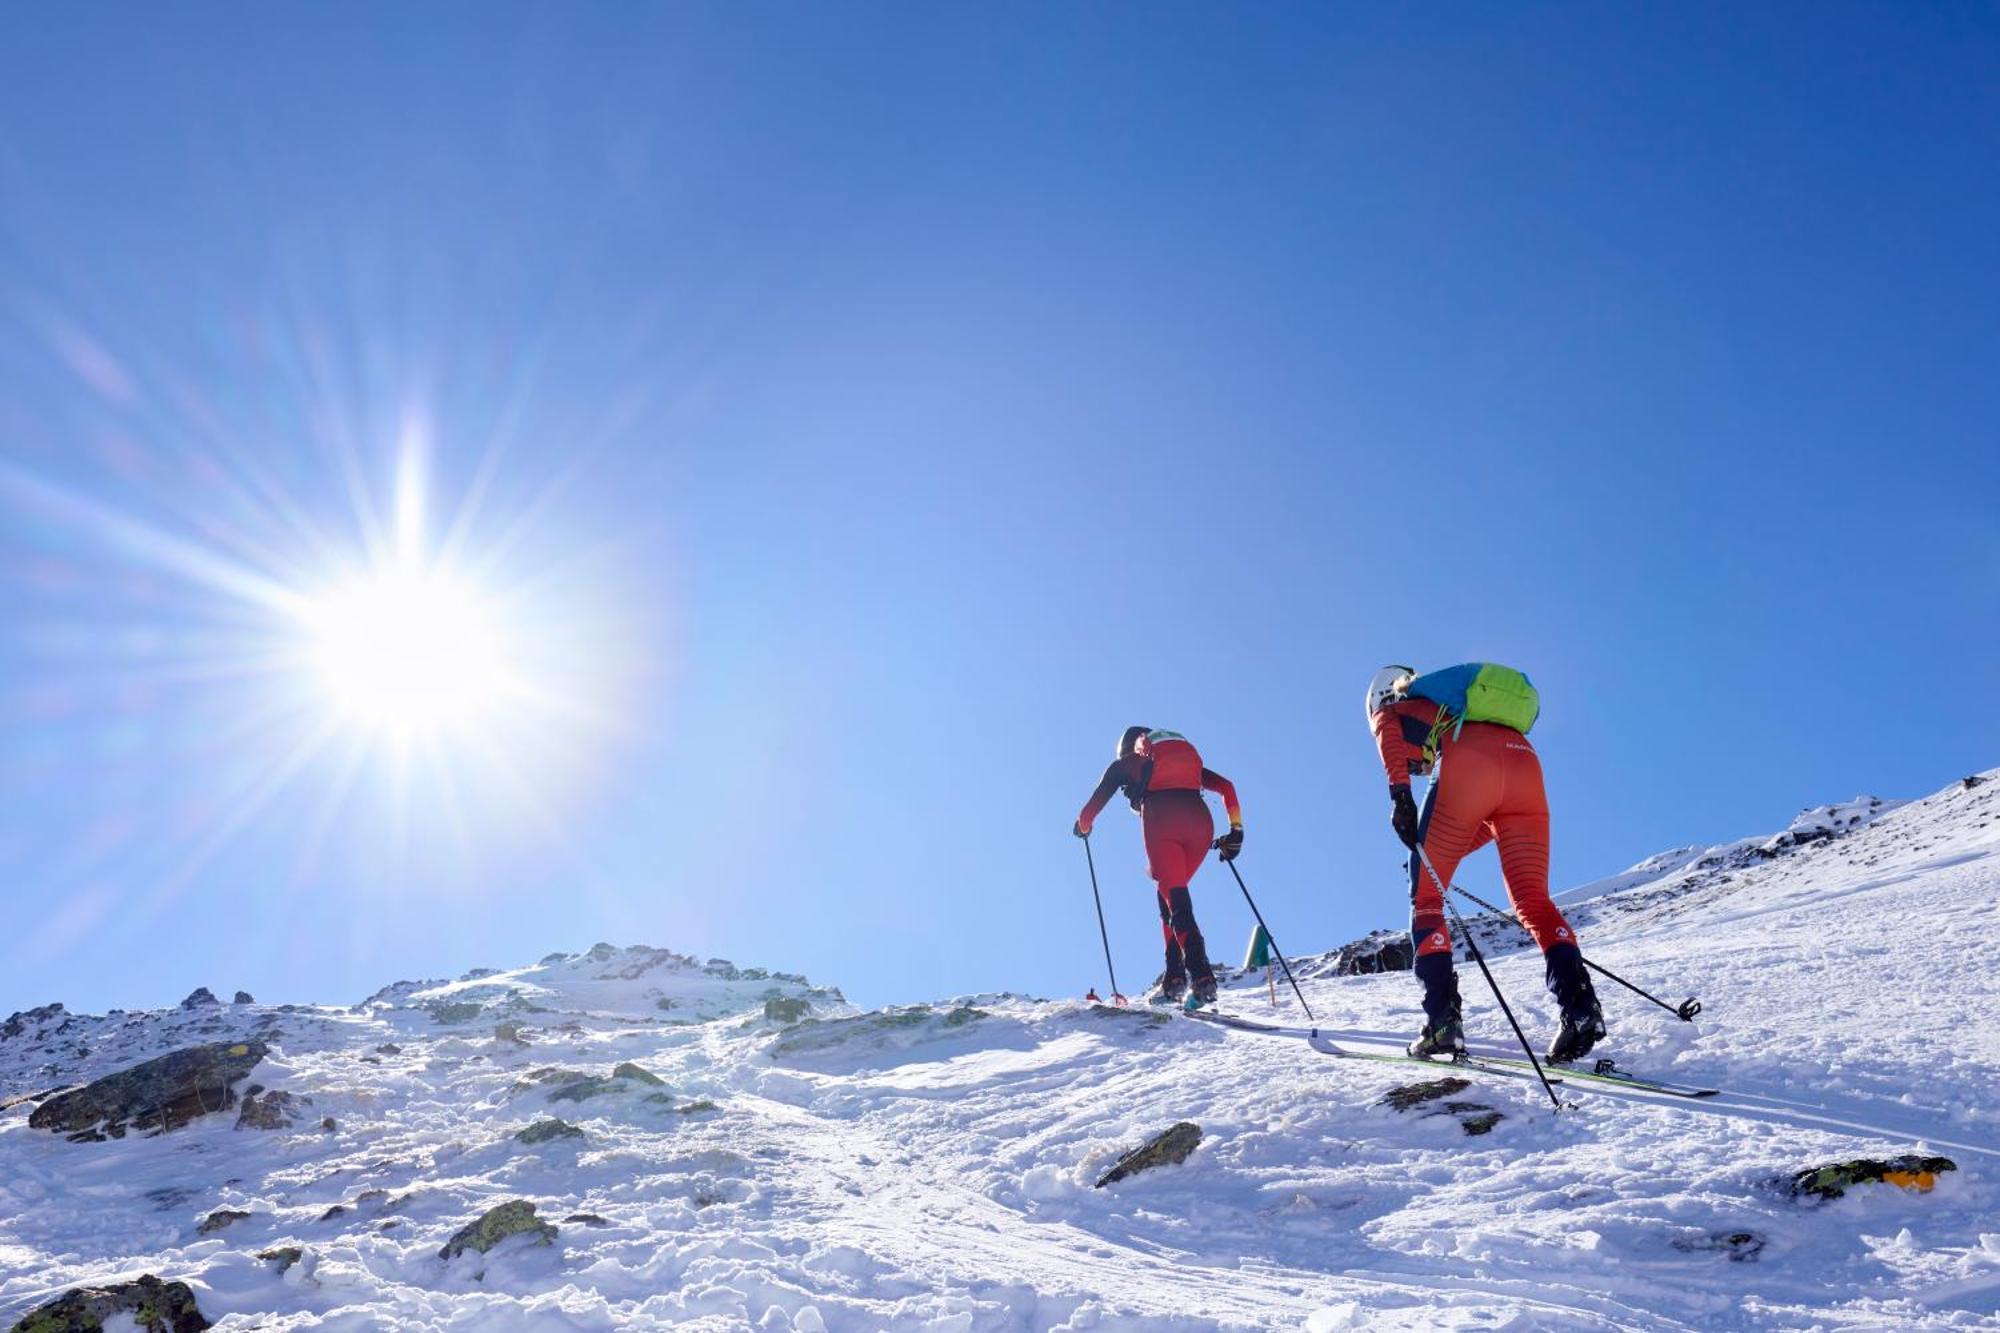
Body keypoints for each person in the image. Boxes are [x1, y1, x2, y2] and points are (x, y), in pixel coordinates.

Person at [1364, 664, 1605, 1063]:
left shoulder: (1392, 709)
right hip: (1525, 765)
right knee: (1533, 901)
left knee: (1425, 901)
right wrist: (1434, 856)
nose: (1415, 766)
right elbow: (1485, 824)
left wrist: (1400, 796)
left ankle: (1442, 1025)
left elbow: (1389, 738)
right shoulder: (1461, 710)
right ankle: (1581, 1009)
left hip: (1469, 765)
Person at [1074, 727, 1243, 1006]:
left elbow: (1090, 809)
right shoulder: (1185, 768)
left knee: (1176, 901)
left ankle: (1200, 976)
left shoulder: (1126, 764)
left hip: (1163, 821)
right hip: (1201, 825)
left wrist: (1083, 826)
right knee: (1168, 896)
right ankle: (1175, 976)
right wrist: (1236, 832)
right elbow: (1227, 787)